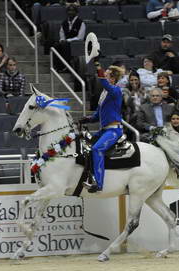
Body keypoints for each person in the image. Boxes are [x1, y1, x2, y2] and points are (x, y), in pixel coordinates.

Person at [78, 60, 125, 193]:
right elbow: (97, 115)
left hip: (114, 130)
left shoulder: (115, 90)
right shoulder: (104, 94)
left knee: (97, 149)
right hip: (104, 130)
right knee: (86, 148)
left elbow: (104, 83)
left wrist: (99, 68)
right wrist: (86, 119)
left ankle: (99, 183)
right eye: (104, 74)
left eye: (107, 75)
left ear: (113, 79)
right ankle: (89, 175)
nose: (104, 76)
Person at [54, 5, 85, 72]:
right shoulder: (64, 22)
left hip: (77, 44)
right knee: (56, 45)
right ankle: (57, 66)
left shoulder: (80, 22)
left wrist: (68, 40)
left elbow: (80, 38)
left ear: (76, 12)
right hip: (65, 43)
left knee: (66, 45)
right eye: (69, 10)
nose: (70, 12)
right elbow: (61, 33)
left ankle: (66, 66)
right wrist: (62, 40)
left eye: (72, 10)